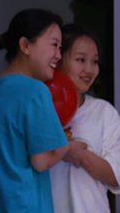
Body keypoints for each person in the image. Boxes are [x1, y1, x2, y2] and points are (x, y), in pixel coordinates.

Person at [0, 9, 70, 213]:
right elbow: (42, 161)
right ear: (25, 45)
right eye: (54, 45)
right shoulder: (35, 91)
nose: (58, 55)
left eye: (60, 48)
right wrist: (66, 146)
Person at [50, 23, 120, 212]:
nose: (90, 69)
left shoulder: (104, 112)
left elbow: (115, 176)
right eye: (81, 60)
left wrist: (77, 153)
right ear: (58, 59)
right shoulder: (39, 107)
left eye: (95, 62)